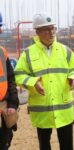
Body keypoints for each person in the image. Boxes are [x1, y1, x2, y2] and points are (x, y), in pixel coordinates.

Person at [15, 13, 74, 150]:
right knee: (44, 145)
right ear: (37, 32)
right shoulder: (28, 53)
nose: (51, 32)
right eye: (47, 29)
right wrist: (33, 82)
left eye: (53, 28)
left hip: (63, 109)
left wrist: (73, 78)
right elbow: (18, 74)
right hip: (42, 109)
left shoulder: (65, 51)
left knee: (67, 145)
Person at [0, 12, 19, 149]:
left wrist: (12, 104)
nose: (1, 30)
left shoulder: (2, 52)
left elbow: (11, 80)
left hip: (4, 107)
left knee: (4, 143)